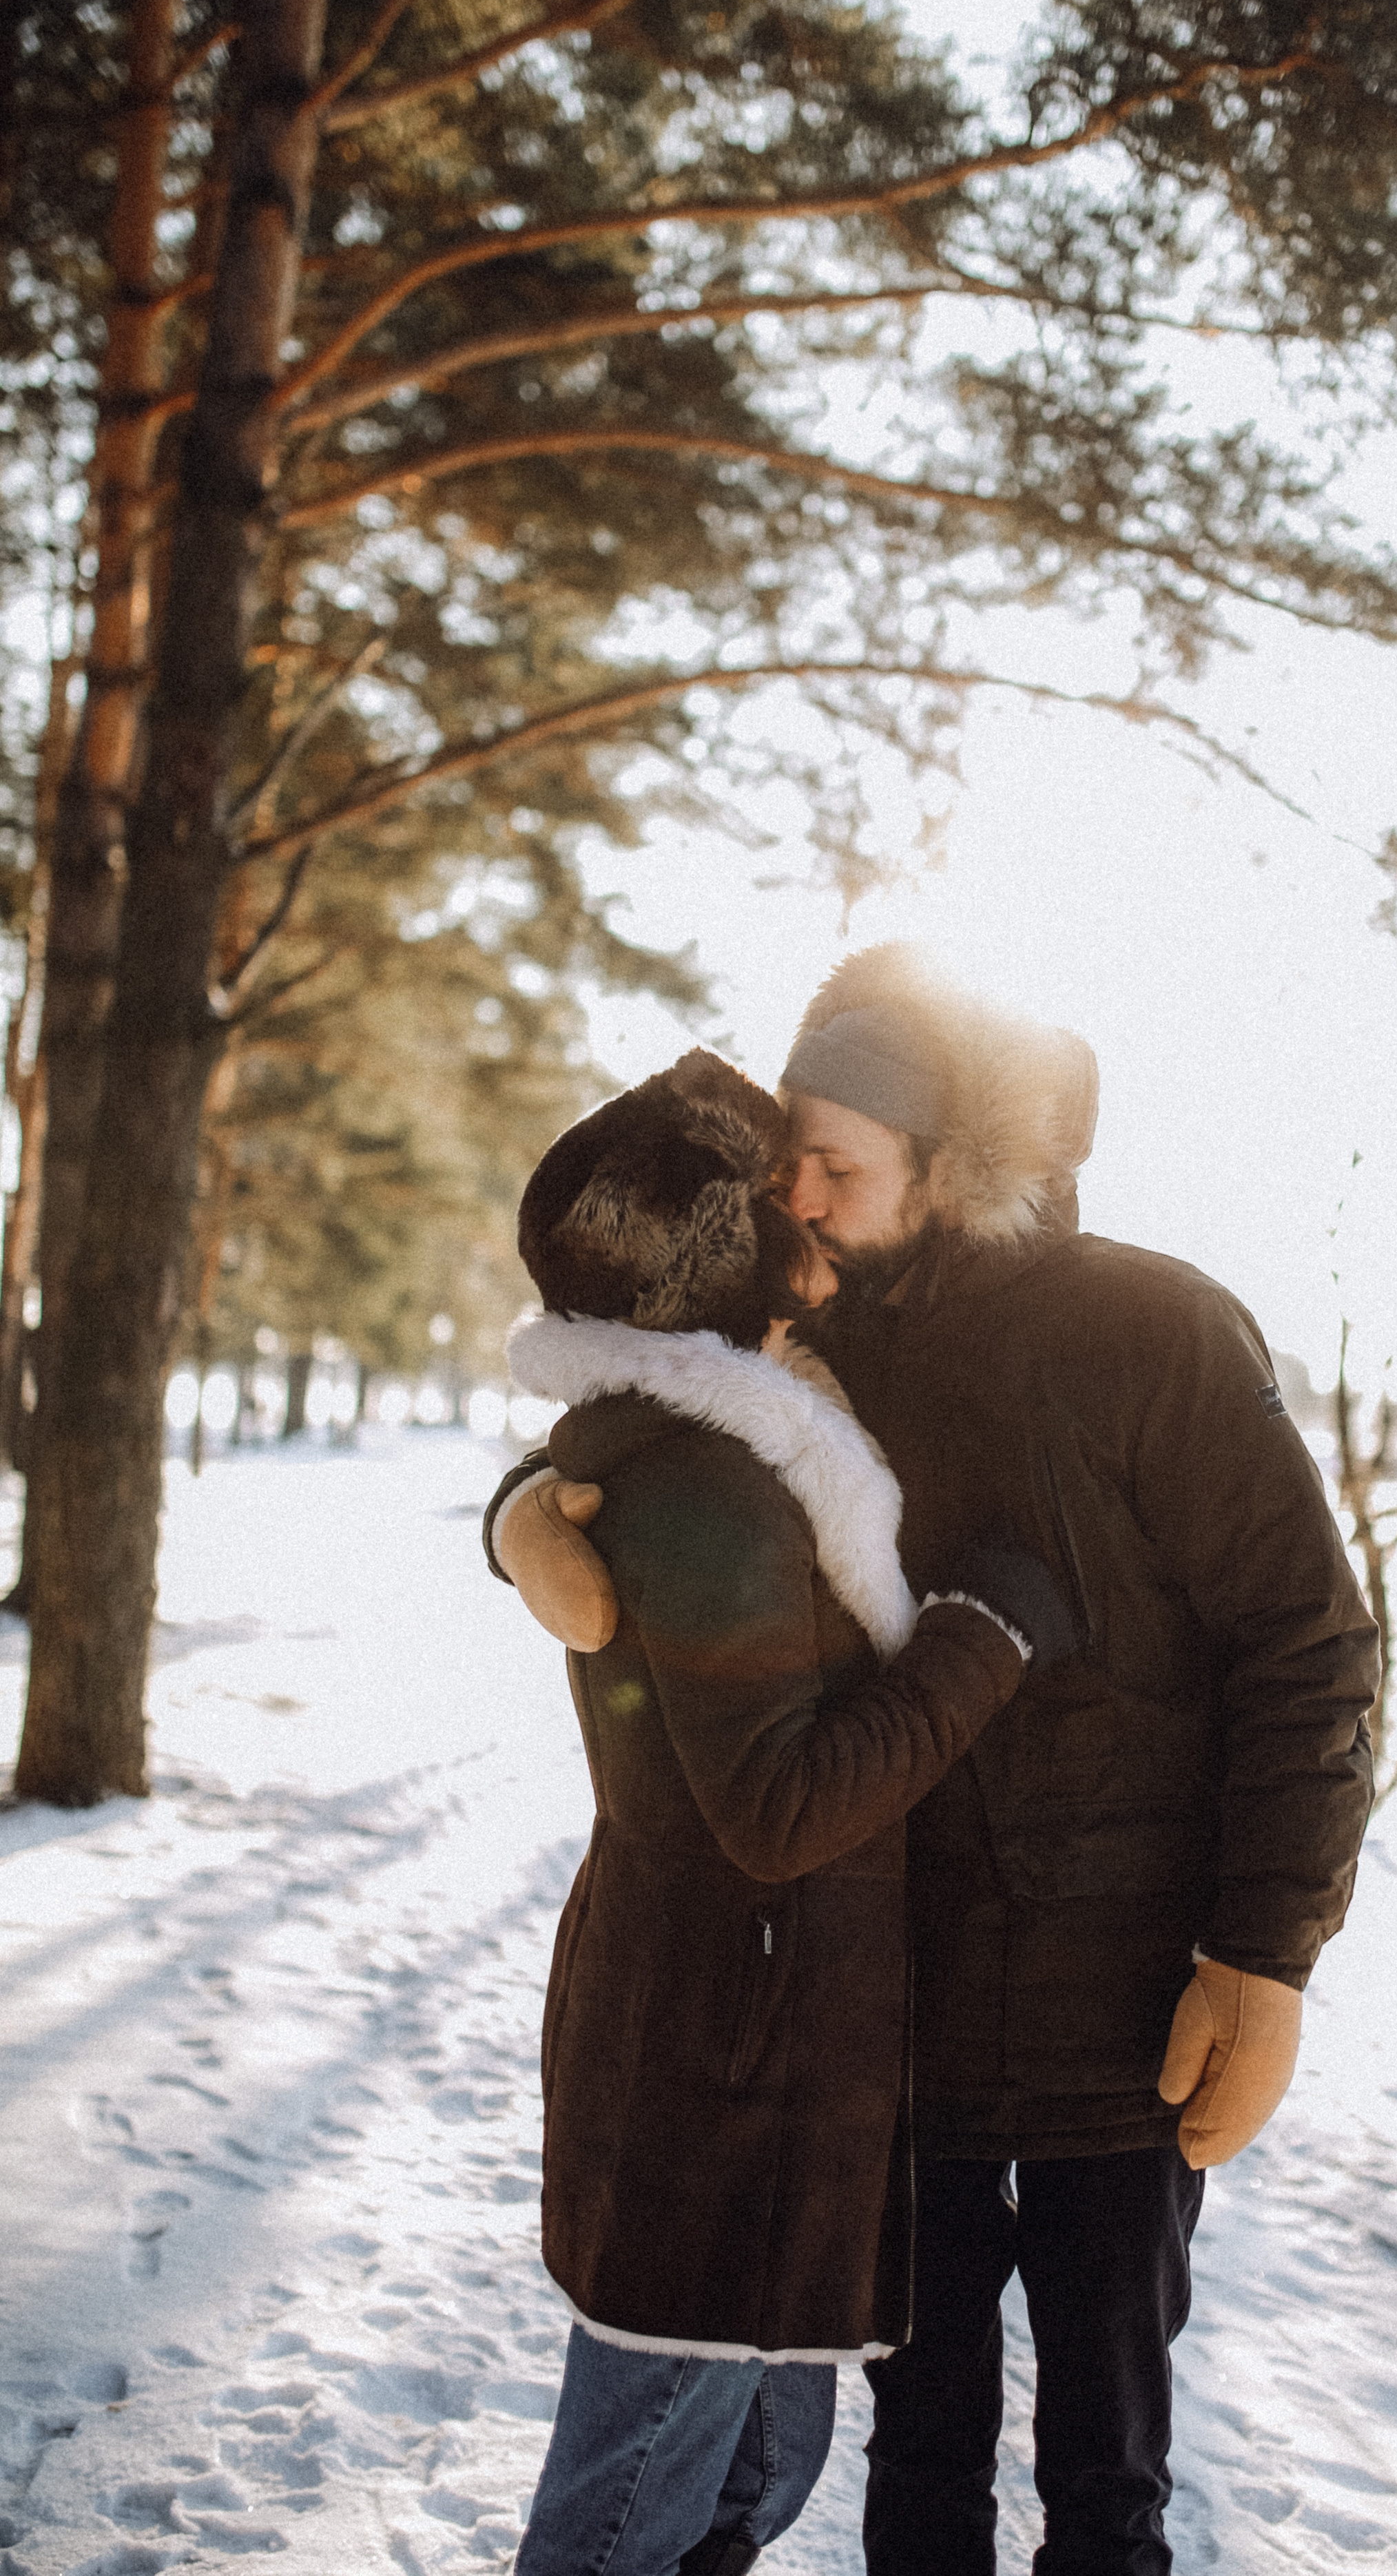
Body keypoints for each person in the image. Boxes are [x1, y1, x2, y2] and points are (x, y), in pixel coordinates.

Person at [493, 958, 1380, 2576]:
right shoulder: (821, 1344)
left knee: (1106, 2470)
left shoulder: (1151, 1327)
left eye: (840, 1166)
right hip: (903, 2016)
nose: (805, 1204)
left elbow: (1307, 1643)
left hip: (1129, 2021)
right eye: (786, 1173)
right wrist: (519, 1522)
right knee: (917, 2464)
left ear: (945, 1163)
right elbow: (652, 1400)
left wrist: (1264, 1953)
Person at [491, 1046, 1072, 2576]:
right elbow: (775, 1804)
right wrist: (979, 1640)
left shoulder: (733, 1432)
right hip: (721, 2083)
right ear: (718, 1250)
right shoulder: (706, 1479)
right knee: (631, 2514)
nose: (805, 1213)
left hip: (759, 2060)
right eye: (770, 1197)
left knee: (752, 2473)